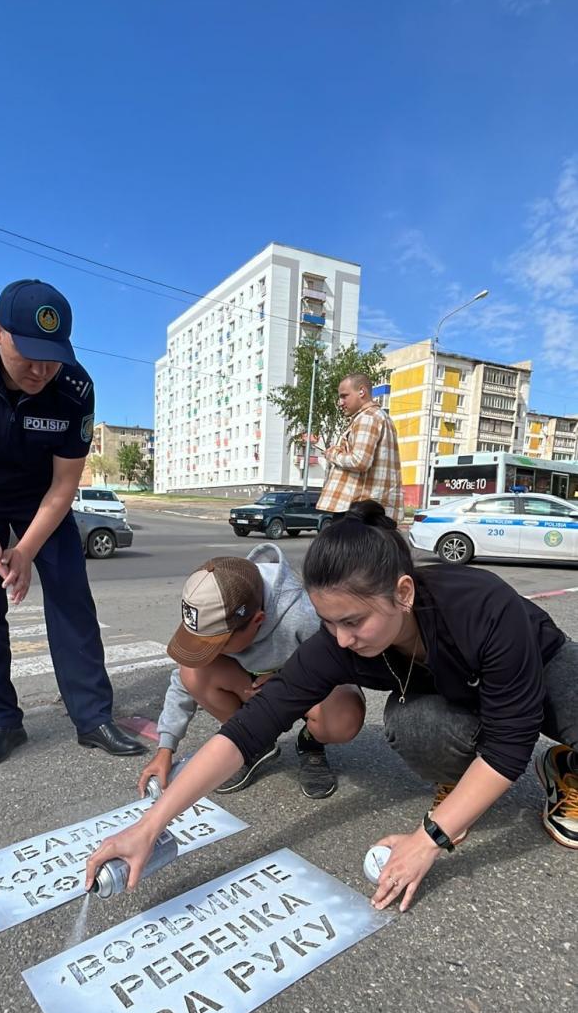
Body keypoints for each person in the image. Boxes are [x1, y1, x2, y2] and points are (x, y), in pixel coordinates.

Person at [86, 501, 578, 911]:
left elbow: (512, 740)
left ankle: (564, 763)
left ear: (403, 593)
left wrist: (425, 842)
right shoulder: (336, 640)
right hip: (457, 696)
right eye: (328, 622)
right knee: (413, 724)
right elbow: (250, 728)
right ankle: (463, 792)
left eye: (354, 622)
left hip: (541, 663)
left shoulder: (481, 607)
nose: (340, 640)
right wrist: (151, 825)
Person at [0, 278, 146, 768]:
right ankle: (2, 722)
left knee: (71, 601)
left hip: (41, 498)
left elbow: (64, 487)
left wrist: (26, 551)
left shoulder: (74, 387)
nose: (41, 370)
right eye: (29, 355)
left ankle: (92, 718)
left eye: (53, 356)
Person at [137, 544, 364, 800]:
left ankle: (311, 742)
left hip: (308, 686)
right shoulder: (212, 605)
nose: (210, 653)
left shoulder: (303, 615)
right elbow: (182, 681)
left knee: (345, 716)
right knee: (191, 672)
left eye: (218, 645)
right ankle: (254, 745)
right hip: (254, 683)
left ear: (257, 621)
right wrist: (165, 749)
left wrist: (288, 674)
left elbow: (348, 664)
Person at [317, 373, 403, 524]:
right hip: (373, 511)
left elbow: (359, 461)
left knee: (342, 547)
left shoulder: (367, 418)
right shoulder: (382, 417)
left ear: (362, 392)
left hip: (358, 511)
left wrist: (333, 454)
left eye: (344, 396)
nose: (340, 402)